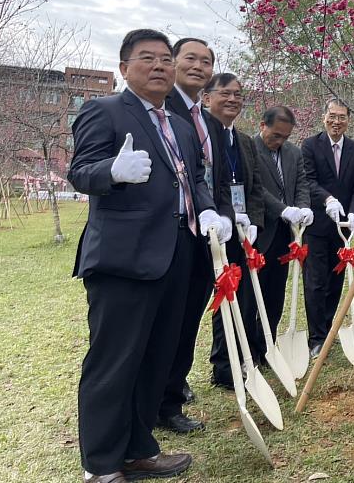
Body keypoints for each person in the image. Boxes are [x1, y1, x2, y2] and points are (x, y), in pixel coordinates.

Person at [68, 29, 230, 483]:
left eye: (164, 59)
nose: (159, 66)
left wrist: (211, 210)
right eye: (147, 59)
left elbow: (194, 177)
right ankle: (100, 465)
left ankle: (139, 449)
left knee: (156, 358)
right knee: (115, 361)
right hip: (124, 257)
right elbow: (80, 171)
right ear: (124, 68)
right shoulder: (103, 110)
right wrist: (112, 171)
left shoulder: (178, 124)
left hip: (177, 250)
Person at [157, 38, 236, 434]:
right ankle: (154, 399)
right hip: (168, 237)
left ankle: (170, 398)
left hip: (205, 239)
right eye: (191, 58)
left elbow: (217, 181)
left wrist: (224, 217)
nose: (199, 66)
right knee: (164, 324)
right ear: (173, 62)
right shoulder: (160, 108)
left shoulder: (209, 123)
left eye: (207, 61)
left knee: (188, 322)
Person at [201, 72, 265, 386]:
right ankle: (214, 368)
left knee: (238, 296)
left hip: (240, 232)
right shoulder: (197, 134)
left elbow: (254, 188)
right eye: (225, 93)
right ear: (206, 98)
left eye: (238, 94)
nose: (232, 99)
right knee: (209, 300)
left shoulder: (244, 141)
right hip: (208, 229)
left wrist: (250, 220)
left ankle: (232, 362)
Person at [301, 97, 354, 358]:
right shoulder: (310, 145)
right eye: (332, 115)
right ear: (324, 117)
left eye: (342, 117)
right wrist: (327, 199)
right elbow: (308, 179)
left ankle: (328, 330)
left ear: (348, 121)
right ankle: (316, 337)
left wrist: (353, 213)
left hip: (342, 228)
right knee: (316, 281)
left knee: (335, 280)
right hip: (318, 225)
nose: (336, 121)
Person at [252, 105, 312, 358]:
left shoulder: (293, 153)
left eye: (285, 137)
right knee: (251, 296)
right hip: (258, 233)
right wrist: (282, 209)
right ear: (262, 126)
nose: (279, 141)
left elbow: (301, 183)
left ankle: (267, 346)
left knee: (275, 294)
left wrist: (304, 208)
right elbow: (256, 188)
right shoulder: (250, 149)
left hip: (284, 236)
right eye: (275, 135)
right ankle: (250, 350)